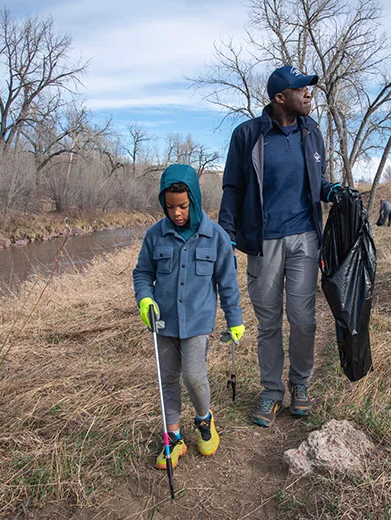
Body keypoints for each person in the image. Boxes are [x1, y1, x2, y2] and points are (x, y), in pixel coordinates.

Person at [218, 65, 340, 428]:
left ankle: (300, 384)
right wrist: (226, 232)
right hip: (263, 242)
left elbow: (317, 181)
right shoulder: (248, 135)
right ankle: (271, 390)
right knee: (269, 322)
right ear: (279, 98)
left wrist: (333, 191)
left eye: (309, 89)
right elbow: (233, 188)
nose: (308, 94)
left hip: (305, 238)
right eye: (301, 89)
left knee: (303, 320)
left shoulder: (312, 132)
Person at [133, 164, 245, 469]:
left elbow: (227, 282)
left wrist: (235, 319)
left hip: (197, 323)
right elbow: (143, 273)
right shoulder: (155, 235)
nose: (176, 213)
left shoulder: (216, 237)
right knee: (167, 379)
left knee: (193, 376)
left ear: (194, 200)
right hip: (163, 323)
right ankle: (173, 438)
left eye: (182, 206)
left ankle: (204, 419)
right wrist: (145, 299)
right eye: (170, 207)